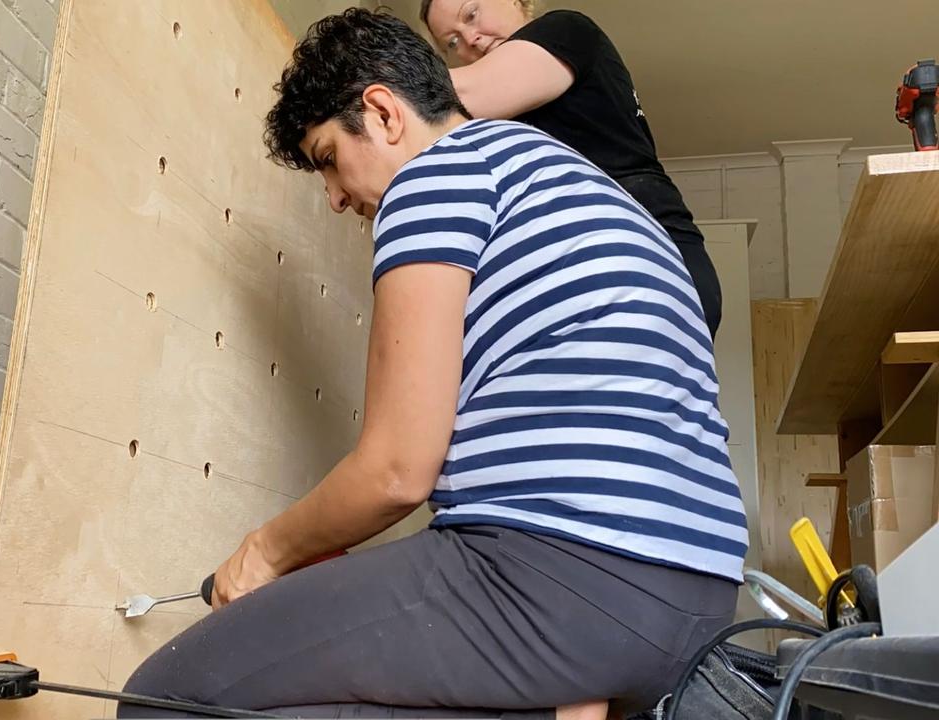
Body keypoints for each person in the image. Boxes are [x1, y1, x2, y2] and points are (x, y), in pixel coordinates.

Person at [120, 9, 746, 719]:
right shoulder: (576, 181)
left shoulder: (437, 176)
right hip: (697, 603)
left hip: (562, 580)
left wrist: (264, 552)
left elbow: (397, 471)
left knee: (166, 696)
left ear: (383, 112)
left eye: (327, 158)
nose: (333, 198)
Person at [421, 0, 724, 339]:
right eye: (452, 42)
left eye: (471, 15)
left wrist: (373, 99)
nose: (470, 39)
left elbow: (464, 94)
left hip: (652, 252)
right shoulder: (499, 125)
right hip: (593, 271)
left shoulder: (564, 30)